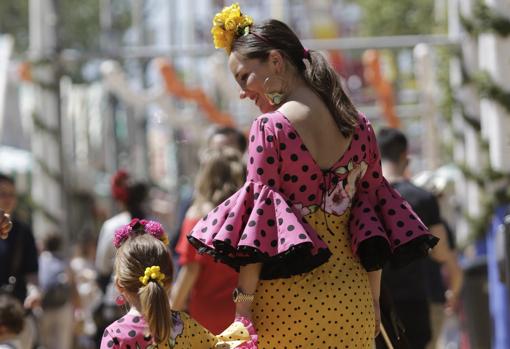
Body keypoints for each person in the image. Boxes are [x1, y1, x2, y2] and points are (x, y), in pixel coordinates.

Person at [185, 4, 439, 347]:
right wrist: (373, 302)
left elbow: (258, 228)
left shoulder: (269, 128)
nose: (243, 92)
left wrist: (242, 311)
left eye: (244, 77)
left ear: (276, 61)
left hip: (288, 308)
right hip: (354, 303)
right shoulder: (359, 126)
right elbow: (371, 227)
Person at [101, 219, 257, 348]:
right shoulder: (184, 324)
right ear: (169, 280)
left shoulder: (115, 335)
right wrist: (245, 302)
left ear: (119, 285)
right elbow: (224, 345)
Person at [376, 127, 463, 349]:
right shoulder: (422, 198)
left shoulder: (367, 197)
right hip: (417, 299)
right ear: (405, 155)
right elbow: (442, 251)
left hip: (377, 301)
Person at [172, 148, 244, 334]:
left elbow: (190, 271)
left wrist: (171, 312)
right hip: (244, 312)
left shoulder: (197, 217)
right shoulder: (248, 214)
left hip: (207, 318)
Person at [94, 170, 149, 344]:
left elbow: (102, 267)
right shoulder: (155, 225)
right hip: (151, 298)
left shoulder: (112, 225)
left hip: (118, 298)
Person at [0, 173, 40, 349]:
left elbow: (31, 271)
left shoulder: (23, 231)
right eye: (3, 193)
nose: (8, 199)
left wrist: (34, 292)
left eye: (12, 194)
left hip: (16, 315)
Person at [38, 231, 79, 349]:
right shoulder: (64, 261)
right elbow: (73, 286)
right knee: (62, 344)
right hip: (63, 307)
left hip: (44, 307)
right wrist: (78, 308)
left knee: (46, 344)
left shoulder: (40, 260)